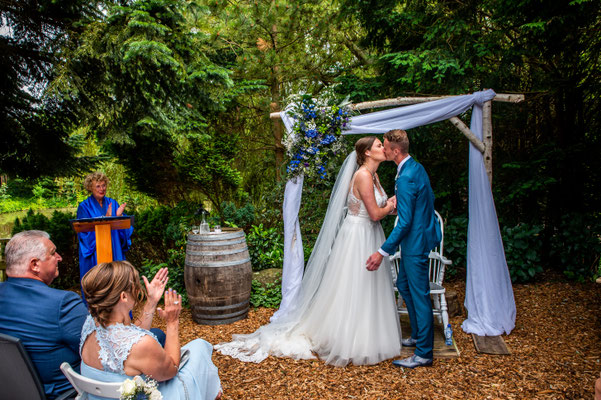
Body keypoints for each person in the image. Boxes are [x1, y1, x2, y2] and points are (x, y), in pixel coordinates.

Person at [216, 137, 401, 366]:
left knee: (368, 287)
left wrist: (389, 205)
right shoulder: (363, 175)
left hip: (370, 234)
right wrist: (390, 205)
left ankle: (369, 336)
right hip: (357, 235)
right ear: (367, 153)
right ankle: (348, 340)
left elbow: (377, 209)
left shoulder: (374, 175)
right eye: (379, 146)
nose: (383, 148)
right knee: (354, 285)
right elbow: (374, 213)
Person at [79, 261, 222, 400]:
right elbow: (172, 369)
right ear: (123, 296)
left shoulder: (90, 324)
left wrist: (151, 301)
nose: (138, 288)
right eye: (135, 285)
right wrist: (172, 322)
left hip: (100, 395)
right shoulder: (142, 345)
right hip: (153, 395)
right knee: (200, 346)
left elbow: (128, 341)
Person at [366, 129, 441, 369]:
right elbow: (419, 204)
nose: (384, 150)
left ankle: (423, 354)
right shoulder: (414, 168)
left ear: (395, 151)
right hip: (419, 235)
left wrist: (382, 251)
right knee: (403, 285)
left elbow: (406, 222)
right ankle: (419, 335)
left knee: (419, 296)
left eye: (385, 147)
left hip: (415, 241)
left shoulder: (407, 176)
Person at [0, 230, 88, 399]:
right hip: (66, 393)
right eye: (53, 253)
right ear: (35, 265)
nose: (60, 257)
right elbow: (100, 348)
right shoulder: (62, 303)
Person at [77, 172, 133, 292]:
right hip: (96, 252)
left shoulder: (113, 203)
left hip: (114, 249)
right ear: (90, 187)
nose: (102, 189)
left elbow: (125, 230)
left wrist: (118, 217)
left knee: (117, 284)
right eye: (98, 186)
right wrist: (105, 221)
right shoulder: (84, 207)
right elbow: (84, 234)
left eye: (104, 185)